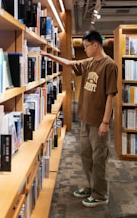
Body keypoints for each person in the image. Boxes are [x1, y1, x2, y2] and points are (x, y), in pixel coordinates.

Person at [40, 30, 118, 207]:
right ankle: (91, 186)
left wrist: (105, 122)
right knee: (86, 155)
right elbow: (69, 63)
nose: (85, 50)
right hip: (86, 119)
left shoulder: (109, 66)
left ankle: (100, 194)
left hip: (99, 122)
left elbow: (110, 96)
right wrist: (49, 56)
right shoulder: (89, 62)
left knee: (99, 158)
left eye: (86, 46)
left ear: (95, 45)